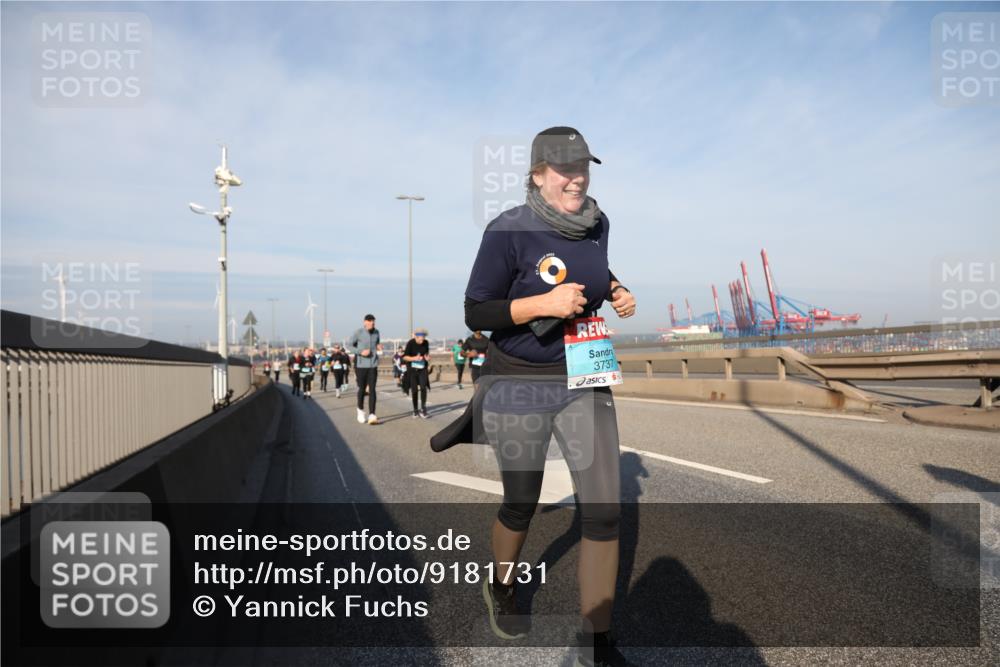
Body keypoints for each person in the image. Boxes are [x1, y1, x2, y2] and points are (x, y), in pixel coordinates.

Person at [439, 127, 637, 666]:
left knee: (603, 513)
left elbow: (592, 266)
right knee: (521, 502)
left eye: (583, 168)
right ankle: (501, 583)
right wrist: (542, 304)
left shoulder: (599, 223)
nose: (577, 178)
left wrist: (614, 288)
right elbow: (477, 311)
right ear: (537, 174)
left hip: (582, 377)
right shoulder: (508, 230)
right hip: (518, 379)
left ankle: (597, 641)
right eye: (565, 169)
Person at [349, 314, 382, 425]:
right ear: (364, 322)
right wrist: (361, 351)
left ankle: (372, 414)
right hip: (361, 366)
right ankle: (360, 410)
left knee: (372, 389)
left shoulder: (377, 332)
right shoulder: (358, 332)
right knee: (362, 389)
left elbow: (377, 343)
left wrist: (378, 346)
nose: (372, 323)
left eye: (373, 321)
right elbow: (349, 346)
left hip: (373, 365)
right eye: (369, 321)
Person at [403, 329, 432, 418]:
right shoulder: (410, 343)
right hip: (412, 370)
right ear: (416, 337)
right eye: (420, 339)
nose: (422, 340)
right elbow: (405, 357)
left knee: (423, 387)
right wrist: (414, 358)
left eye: (423, 338)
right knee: (414, 390)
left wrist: (427, 358)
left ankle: (423, 409)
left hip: (422, 369)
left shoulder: (426, 343)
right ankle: (415, 410)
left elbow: (426, 354)